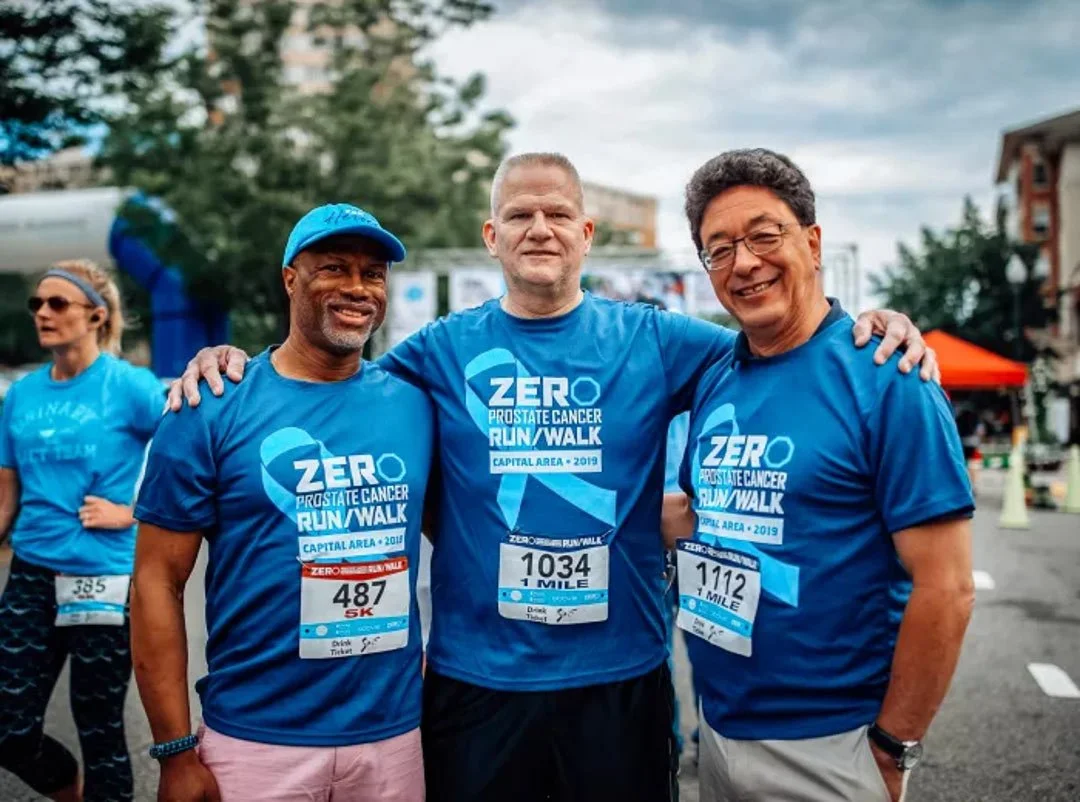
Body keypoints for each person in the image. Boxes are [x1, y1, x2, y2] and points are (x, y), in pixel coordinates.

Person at [169, 153, 938, 802]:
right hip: (478, 685)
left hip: (620, 680)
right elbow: (330, 378)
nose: (541, 229)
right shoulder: (438, 349)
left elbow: (783, 344)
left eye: (559, 215)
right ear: (492, 235)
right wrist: (229, 361)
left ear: (586, 234)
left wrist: (873, 324)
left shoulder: (657, 339)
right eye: (522, 214)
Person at [661, 149, 975, 802]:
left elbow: (947, 587)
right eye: (718, 249)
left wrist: (894, 745)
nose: (743, 262)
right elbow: (704, 513)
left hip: (833, 746)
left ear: (812, 240)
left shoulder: (887, 376)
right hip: (717, 732)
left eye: (763, 236)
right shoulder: (717, 377)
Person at [130, 205, 433, 802]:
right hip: (255, 744)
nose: (357, 287)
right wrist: (172, 753)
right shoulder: (211, 403)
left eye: (373, 273)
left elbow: (466, 540)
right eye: (334, 268)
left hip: (394, 740)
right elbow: (155, 581)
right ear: (291, 278)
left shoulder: (416, 405)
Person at [0, 260, 165, 802]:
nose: (42, 313)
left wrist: (135, 512)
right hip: (31, 572)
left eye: (57, 303)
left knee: (99, 728)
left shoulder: (131, 387)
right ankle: (67, 790)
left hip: (103, 574)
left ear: (96, 315)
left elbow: (189, 459)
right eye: (37, 304)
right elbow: (6, 497)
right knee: (9, 727)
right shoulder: (21, 396)